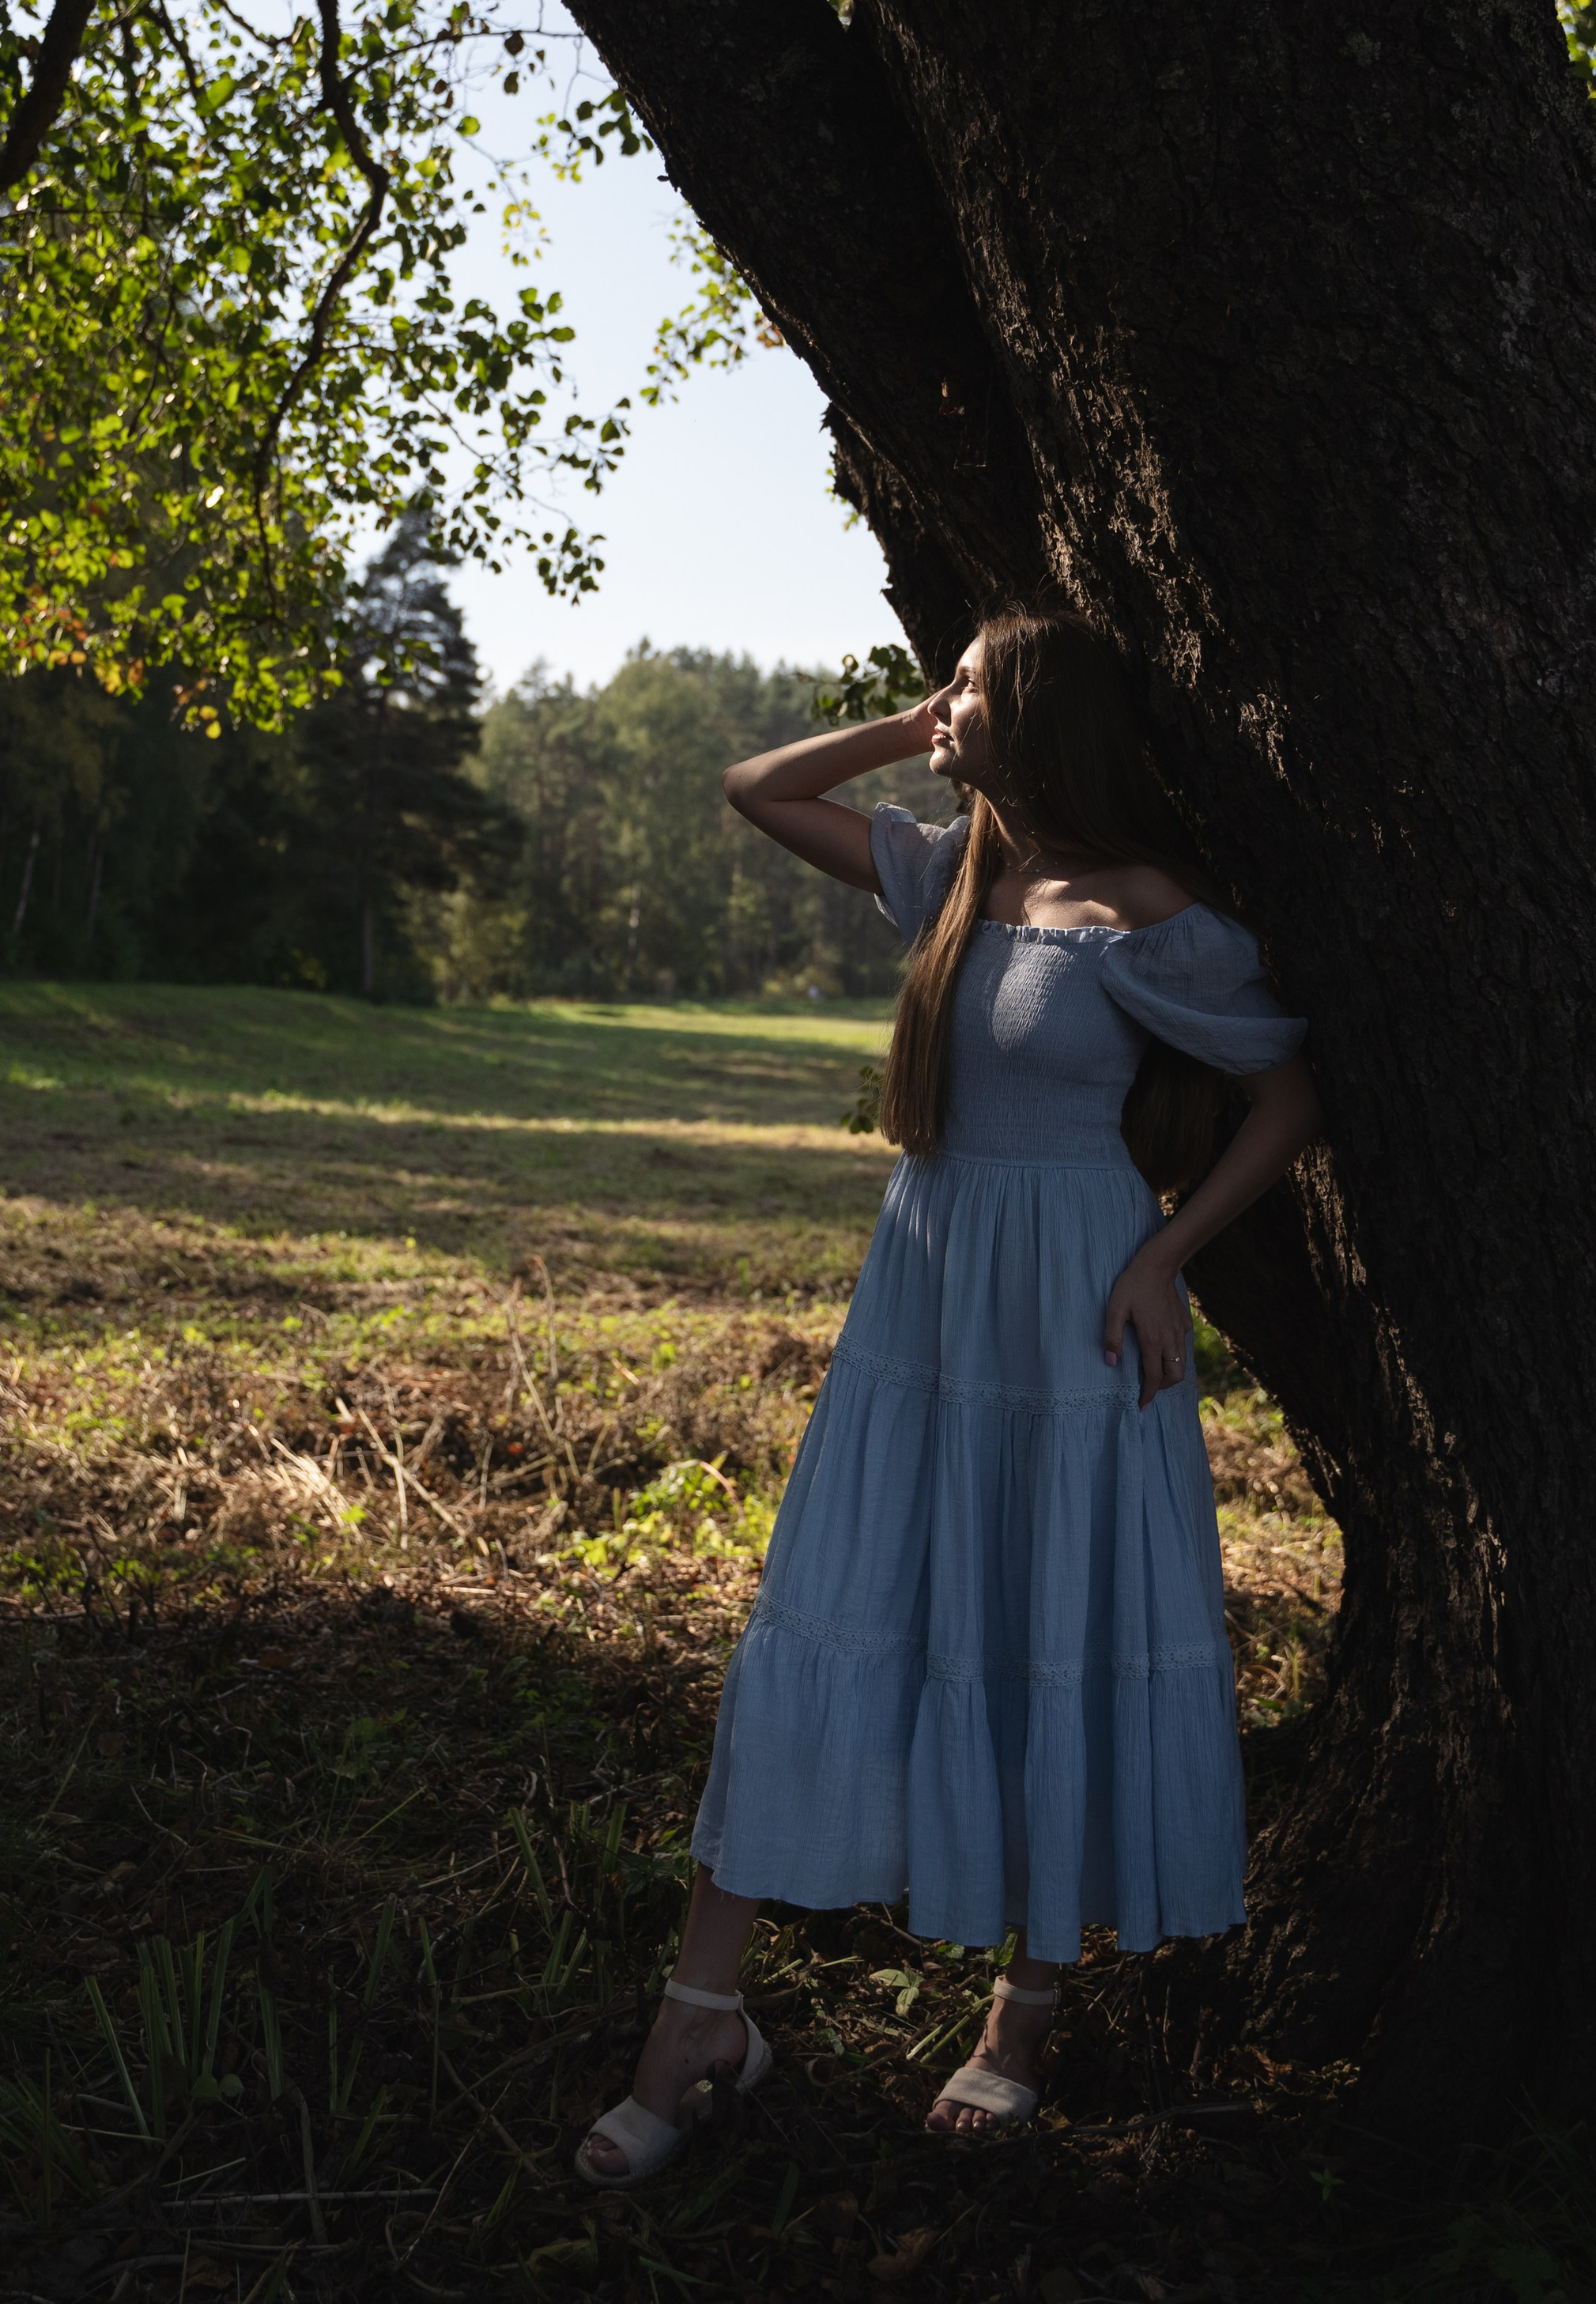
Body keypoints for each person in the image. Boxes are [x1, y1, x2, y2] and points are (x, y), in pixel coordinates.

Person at [575, 608, 1323, 2185]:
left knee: (1046, 1618)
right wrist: (909, 730)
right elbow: (757, 787)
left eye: (972, 683)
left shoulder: (1139, 910)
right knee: (833, 1601)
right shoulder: (947, 875)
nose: (944, 698)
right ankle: (700, 2017)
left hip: (1075, 1310)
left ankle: (1020, 2018)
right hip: (921, 1293)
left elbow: (1282, 1097)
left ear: (1039, 714)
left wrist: (1163, 1258)